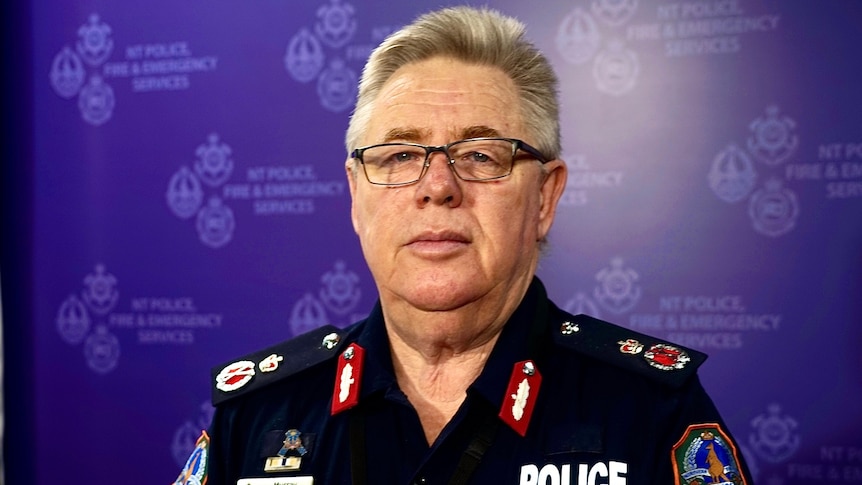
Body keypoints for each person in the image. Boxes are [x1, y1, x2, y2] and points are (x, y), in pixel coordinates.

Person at [175, 6, 751, 485]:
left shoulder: (651, 411)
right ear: (355, 194)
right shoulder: (256, 413)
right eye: (401, 155)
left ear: (545, 199)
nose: (437, 187)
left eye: (481, 155)